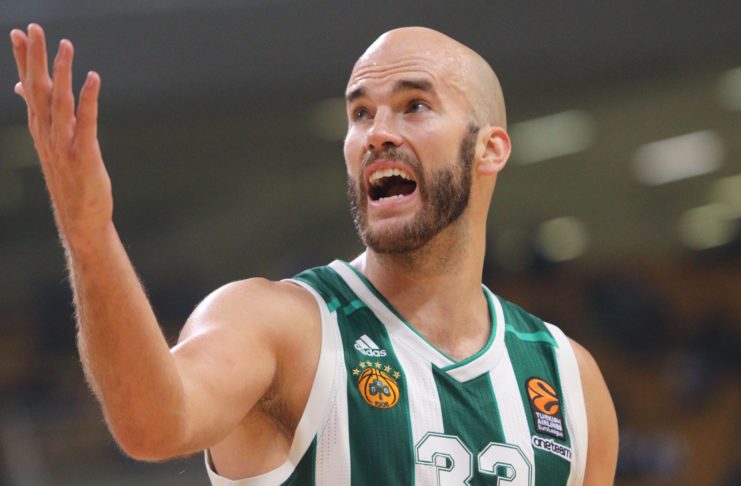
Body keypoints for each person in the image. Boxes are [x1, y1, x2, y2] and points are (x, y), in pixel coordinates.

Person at [9, 23, 618, 485]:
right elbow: (152, 424)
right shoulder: (281, 325)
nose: (377, 132)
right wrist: (90, 239)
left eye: (414, 105)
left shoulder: (568, 380)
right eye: (361, 112)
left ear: (489, 149)